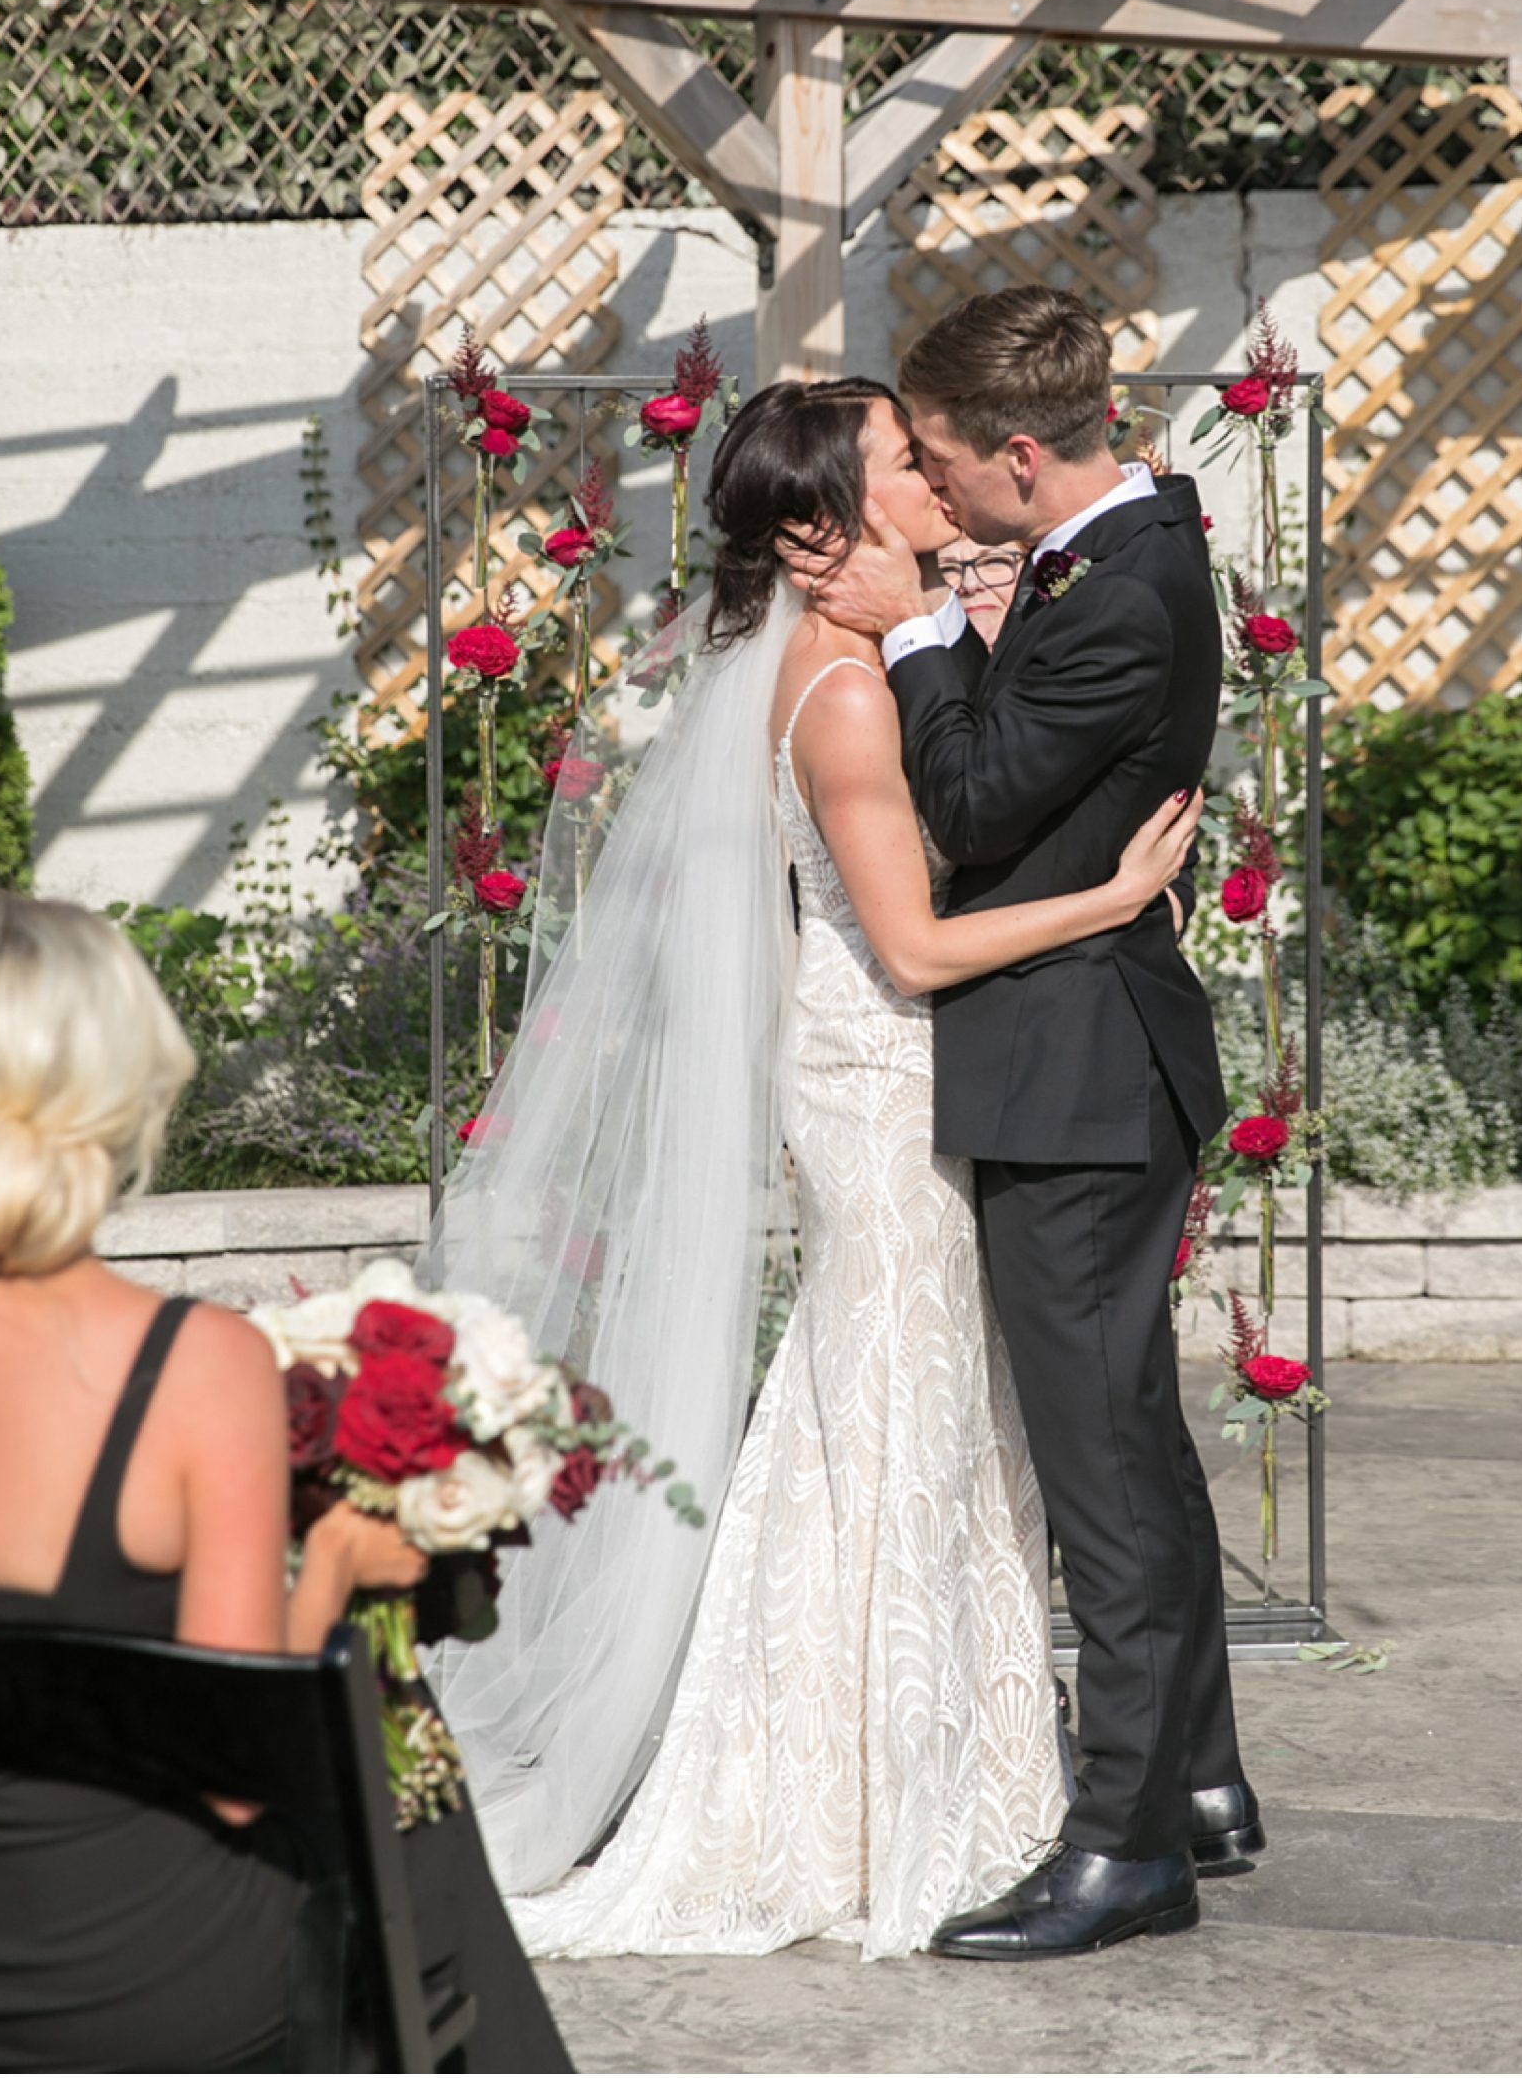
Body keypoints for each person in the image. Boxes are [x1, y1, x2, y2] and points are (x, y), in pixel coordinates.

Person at [435, 379, 1201, 1961]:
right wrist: (1111, 899)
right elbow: (912, 947)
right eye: (899, 463)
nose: (931, 474)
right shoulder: (842, 692)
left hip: (891, 1074)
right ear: (820, 526)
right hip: (887, 1080)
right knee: (912, 1419)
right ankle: (883, 1796)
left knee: (898, 1417)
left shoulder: (862, 655)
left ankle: (926, 1768)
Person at [0, 893, 569, 2072]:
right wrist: (347, 1572)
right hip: (143, 1977)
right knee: (399, 1775)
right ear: (120, 1093)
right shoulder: (189, 1367)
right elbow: (240, 1779)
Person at [800, 286, 1262, 1961]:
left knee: (1101, 1469)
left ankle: (1129, 1839)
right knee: (1129, 1430)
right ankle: (1200, 1779)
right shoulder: (1115, 556)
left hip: (1072, 1079)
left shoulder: (1121, 592)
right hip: (1086, 1058)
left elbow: (979, 800)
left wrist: (916, 626)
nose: (923, 485)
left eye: (932, 457)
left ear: (1011, 455)